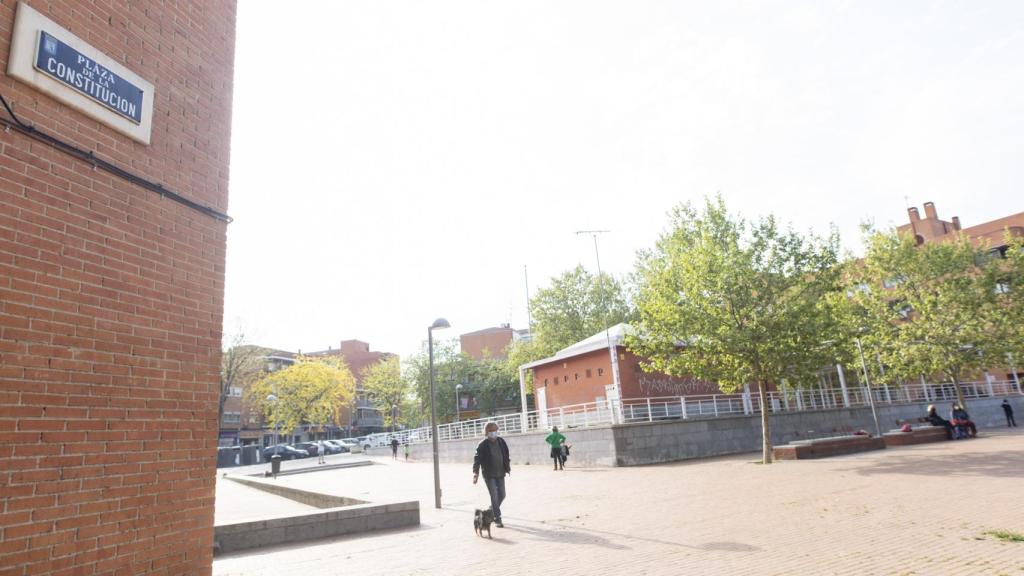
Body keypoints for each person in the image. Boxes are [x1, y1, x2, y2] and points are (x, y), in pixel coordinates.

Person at [473, 422, 510, 528]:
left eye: (495, 431)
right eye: (491, 431)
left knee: (502, 495)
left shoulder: (501, 441)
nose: (493, 433)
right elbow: (477, 459)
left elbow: (506, 454)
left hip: (500, 472)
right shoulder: (482, 445)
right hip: (489, 475)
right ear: (486, 433)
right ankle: (497, 518)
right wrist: (476, 473)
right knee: (494, 495)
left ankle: (491, 510)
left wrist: (507, 465)